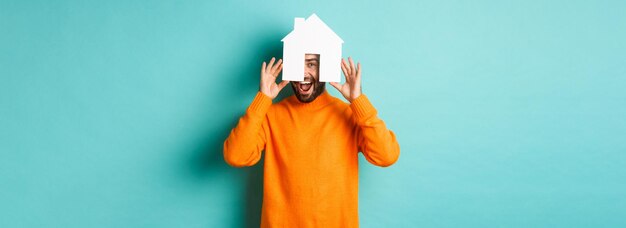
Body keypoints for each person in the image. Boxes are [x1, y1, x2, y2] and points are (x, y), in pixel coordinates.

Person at [223, 54, 400, 227]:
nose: (303, 73)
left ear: (325, 68)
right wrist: (262, 100)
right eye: (296, 64)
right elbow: (236, 156)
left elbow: (386, 156)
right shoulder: (270, 115)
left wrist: (358, 101)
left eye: (311, 64)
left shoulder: (349, 115)